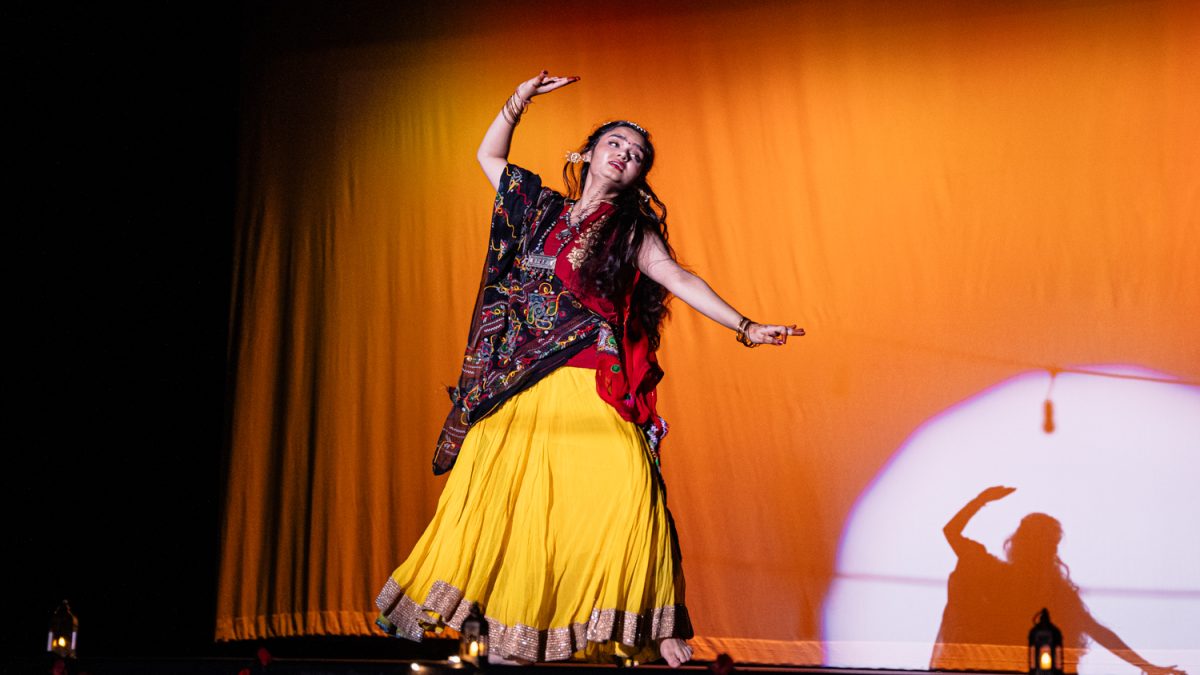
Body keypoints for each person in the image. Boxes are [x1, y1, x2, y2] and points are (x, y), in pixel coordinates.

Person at [375, 71, 804, 667]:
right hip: (519, 390)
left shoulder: (632, 230)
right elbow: (489, 154)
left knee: (632, 493)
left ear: (638, 175)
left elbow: (678, 278)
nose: (626, 155)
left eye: (637, 155)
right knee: (520, 519)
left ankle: (654, 623)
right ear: (589, 154)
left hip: (588, 383)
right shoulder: (537, 209)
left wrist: (746, 327)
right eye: (616, 144)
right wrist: (517, 101)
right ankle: (512, 647)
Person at [931, 486, 1185, 675]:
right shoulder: (1050, 593)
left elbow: (951, 532)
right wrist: (1148, 667)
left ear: (1016, 542)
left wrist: (981, 500)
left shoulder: (1046, 591)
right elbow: (1099, 631)